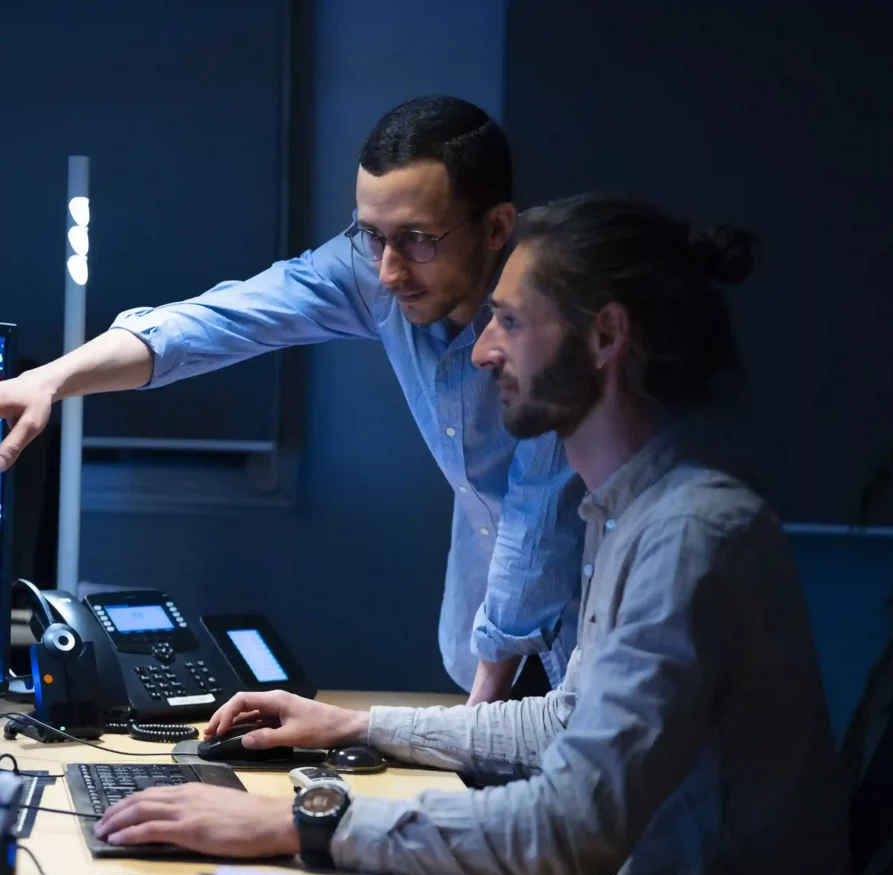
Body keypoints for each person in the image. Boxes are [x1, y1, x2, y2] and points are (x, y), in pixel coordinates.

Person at [94, 195, 855, 875]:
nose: (485, 350)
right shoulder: (628, 513)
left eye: (512, 323)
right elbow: (565, 721)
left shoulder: (690, 534)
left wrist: (306, 822)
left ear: (606, 337)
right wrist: (354, 727)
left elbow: (569, 831)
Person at [0, 96, 583, 705]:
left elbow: (537, 521)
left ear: (496, 227)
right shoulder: (379, 268)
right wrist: (52, 379)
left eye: (416, 239)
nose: (387, 271)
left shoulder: (550, 309)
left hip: (593, 633)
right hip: (485, 635)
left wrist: (477, 722)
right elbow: (225, 319)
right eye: (370, 235)